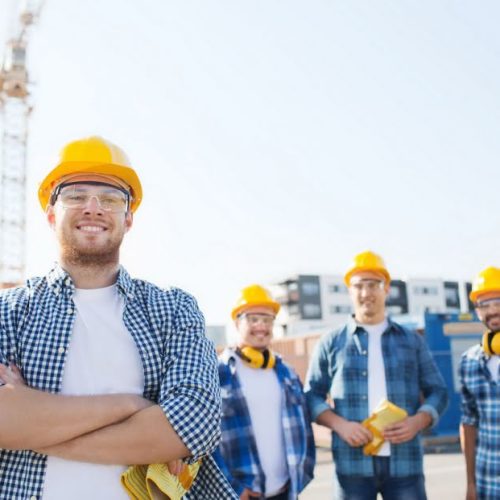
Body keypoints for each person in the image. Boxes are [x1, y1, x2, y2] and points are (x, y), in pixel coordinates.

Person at [0, 136, 236, 499]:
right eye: (76, 195)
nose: (93, 208)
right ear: (51, 215)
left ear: (128, 219)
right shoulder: (8, 313)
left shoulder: (173, 310)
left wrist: (31, 427)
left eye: (110, 199)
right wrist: (132, 406)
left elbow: (194, 427)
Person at [304, 250, 448, 500]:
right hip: (352, 465)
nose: (366, 293)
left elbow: (439, 391)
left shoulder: (412, 341)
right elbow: (311, 395)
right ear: (349, 290)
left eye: (374, 284)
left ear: (387, 288)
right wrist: (341, 425)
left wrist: (418, 421)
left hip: (405, 463)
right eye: (359, 285)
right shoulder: (331, 342)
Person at [214, 284, 315, 500]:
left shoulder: (286, 372)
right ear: (236, 322)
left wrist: (302, 474)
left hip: (285, 492)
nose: (261, 325)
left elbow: (304, 427)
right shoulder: (216, 373)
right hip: (239, 495)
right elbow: (201, 442)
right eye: (253, 319)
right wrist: (231, 487)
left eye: (267, 319)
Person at [459, 266, 500, 500]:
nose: (493, 310)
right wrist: (470, 483)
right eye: (484, 304)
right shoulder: (469, 362)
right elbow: (468, 424)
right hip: (486, 485)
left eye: (498, 301)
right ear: (477, 311)